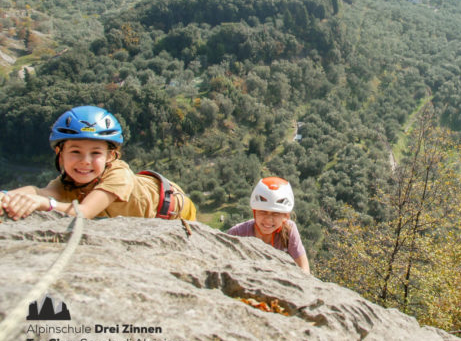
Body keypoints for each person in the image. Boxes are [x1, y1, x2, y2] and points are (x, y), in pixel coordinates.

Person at [0, 105, 196, 221]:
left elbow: (84, 212)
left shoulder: (118, 175)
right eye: (75, 152)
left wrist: (44, 204)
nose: (85, 162)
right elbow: (41, 193)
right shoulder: (68, 181)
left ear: (111, 156)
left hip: (176, 211)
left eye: (95, 153)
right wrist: (6, 197)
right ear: (60, 153)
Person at [227, 177, 310, 274]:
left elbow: (304, 267)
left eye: (275, 214)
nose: (268, 220)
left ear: (285, 216)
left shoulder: (289, 230)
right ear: (254, 212)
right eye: (263, 212)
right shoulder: (237, 233)